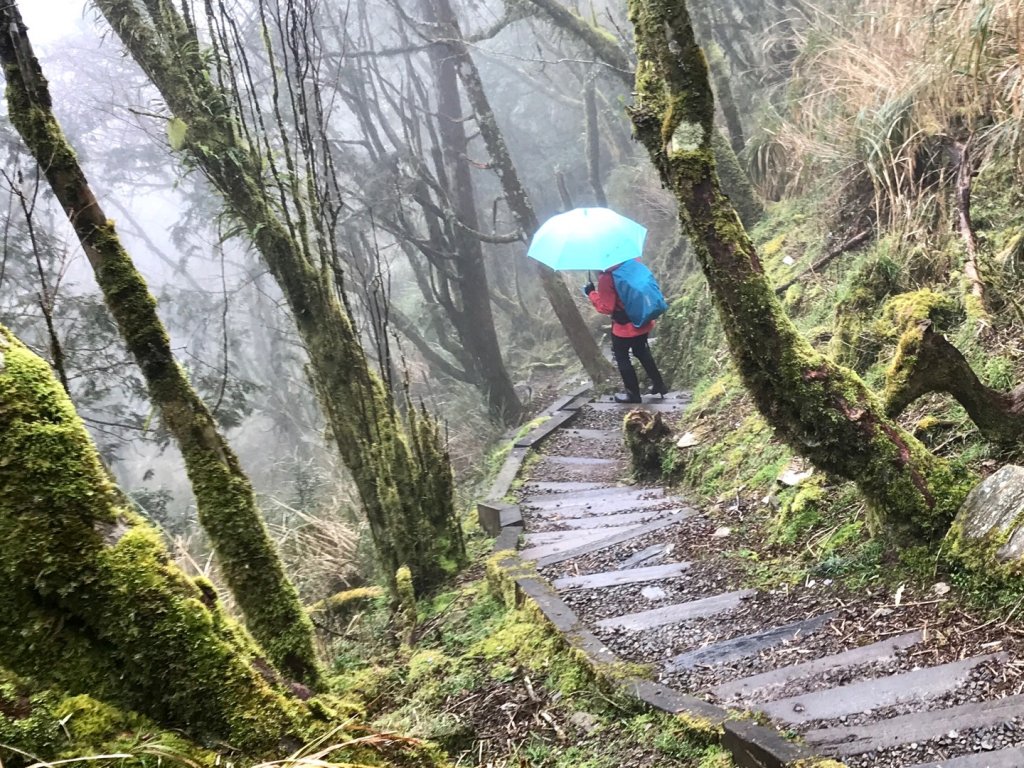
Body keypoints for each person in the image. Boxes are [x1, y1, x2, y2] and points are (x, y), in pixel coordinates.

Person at [583, 261, 668, 403]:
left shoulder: (607, 277)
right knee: (641, 351)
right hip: (643, 318)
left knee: (622, 357)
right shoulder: (634, 263)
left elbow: (606, 307)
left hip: (625, 327)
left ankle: (633, 394)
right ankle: (659, 385)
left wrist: (591, 293)